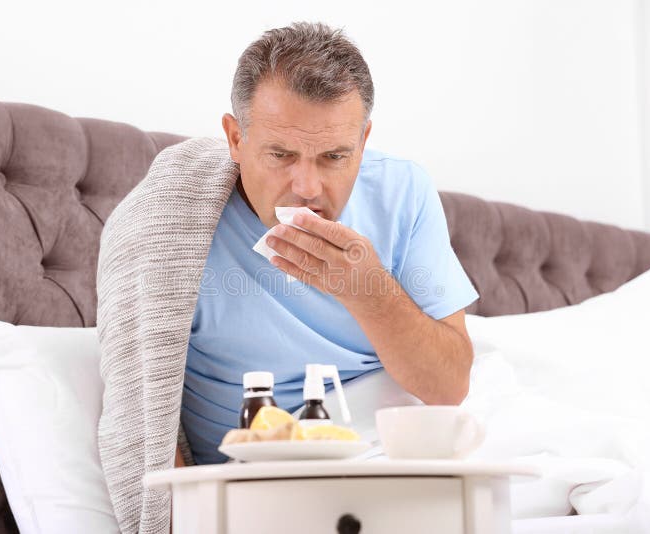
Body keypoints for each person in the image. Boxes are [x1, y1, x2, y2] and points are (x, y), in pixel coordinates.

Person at [177, 21, 479, 466]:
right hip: (256, 478)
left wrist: (368, 291)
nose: (308, 187)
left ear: (363, 142)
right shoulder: (176, 223)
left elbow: (449, 386)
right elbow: (142, 411)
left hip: (391, 453)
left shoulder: (403, 191)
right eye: (281, 155)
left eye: (334, 157)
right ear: (236, 138)